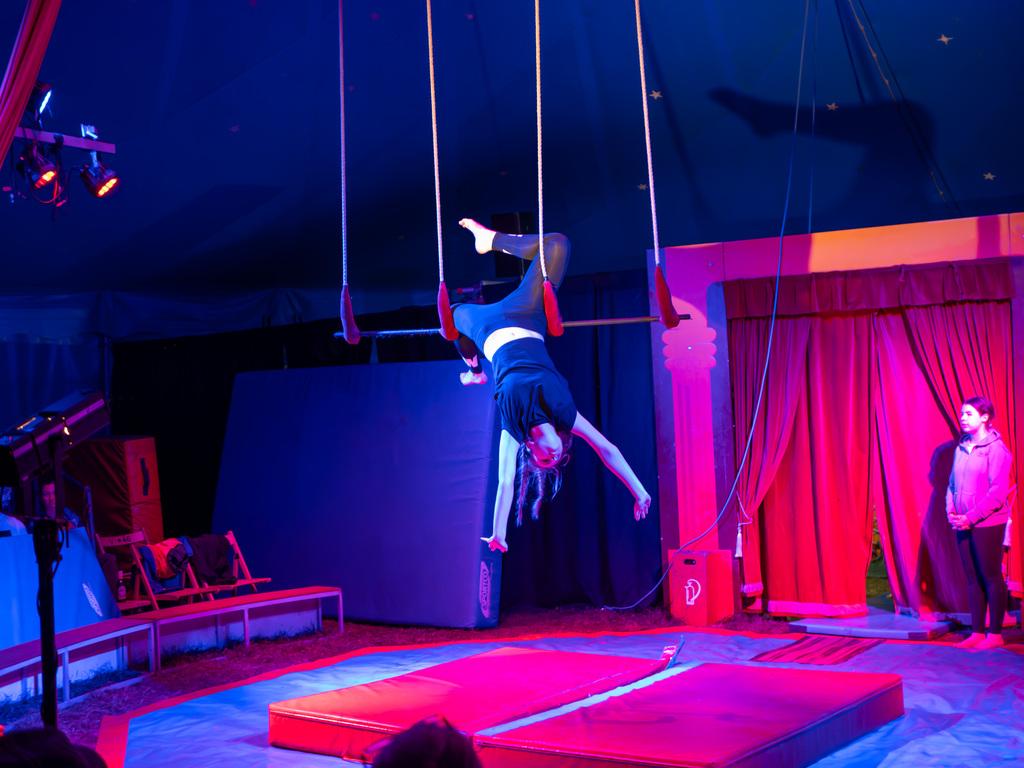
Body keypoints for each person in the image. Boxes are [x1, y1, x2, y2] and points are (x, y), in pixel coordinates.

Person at [454, 219, 651, 553]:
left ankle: (474, 370)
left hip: (486, 330)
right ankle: (490, 240)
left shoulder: (514, 427)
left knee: (450, 315)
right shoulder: (564, 414)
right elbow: (608, 450)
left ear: (531, 449)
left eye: (544, 460)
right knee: (557, 243)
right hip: (526, 315)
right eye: (557, 459)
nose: (554, 456)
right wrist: (639, 491)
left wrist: (499, 534)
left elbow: (505, 482)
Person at [946, 396, 1013, 650]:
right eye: (962, 413)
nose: (963, 418)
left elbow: (997, 493)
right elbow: (951, 484)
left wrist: (970, 517)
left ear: (984, 417)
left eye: (969, 414)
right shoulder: (961, 447)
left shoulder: (997, 450)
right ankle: (976, 632)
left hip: (987, 523)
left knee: (990, 576)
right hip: (962, 523)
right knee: (972, 577)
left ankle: (995, 634)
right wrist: (951, 511)